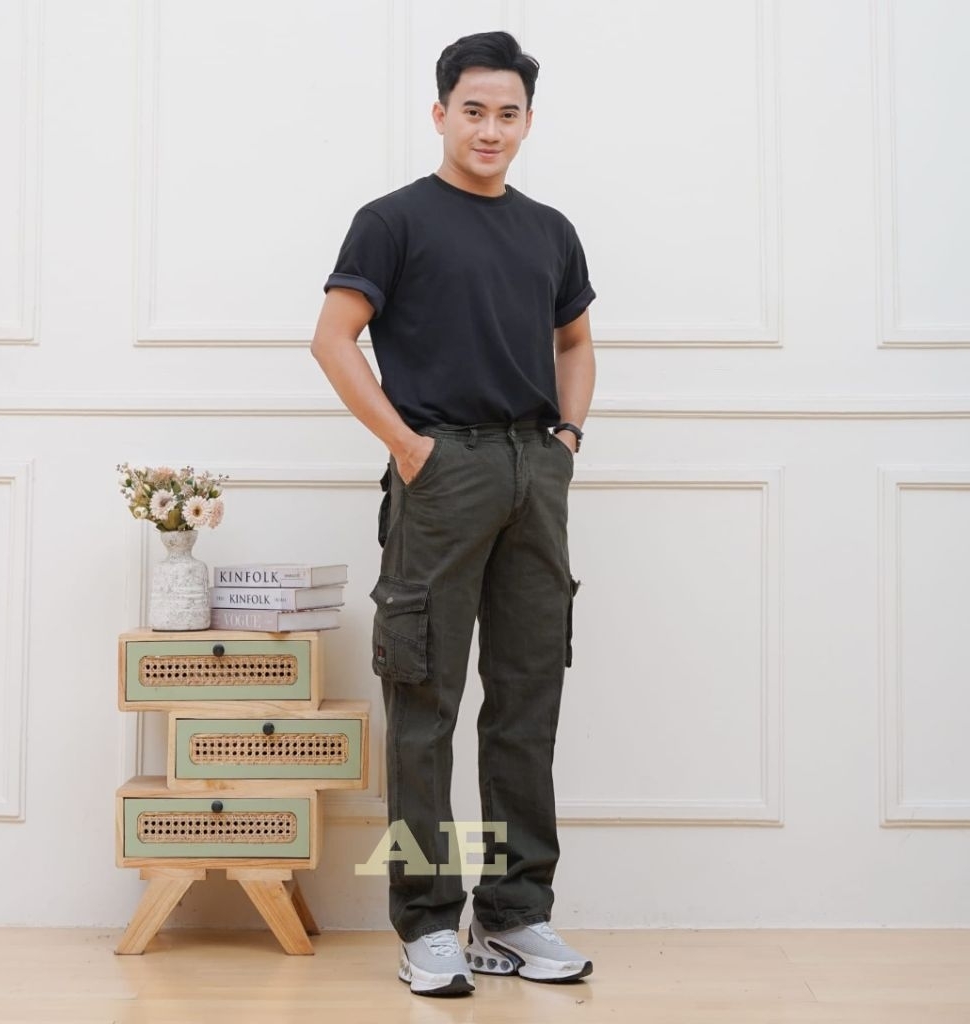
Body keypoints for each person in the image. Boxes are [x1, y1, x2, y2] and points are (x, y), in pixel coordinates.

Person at [312, 30, 596, 997]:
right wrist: (408, 447)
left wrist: (565, 441)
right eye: (473, 110)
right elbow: (334, 339)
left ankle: (511, 916)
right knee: (425, 704)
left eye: (508, 113)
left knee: (526, 699)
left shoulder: (550, 230)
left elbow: (575, 342)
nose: (490, 129)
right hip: (441, 474)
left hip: (533, 473)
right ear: (440, 114)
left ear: (528, 122)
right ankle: (427, 922)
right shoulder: (392, 221)